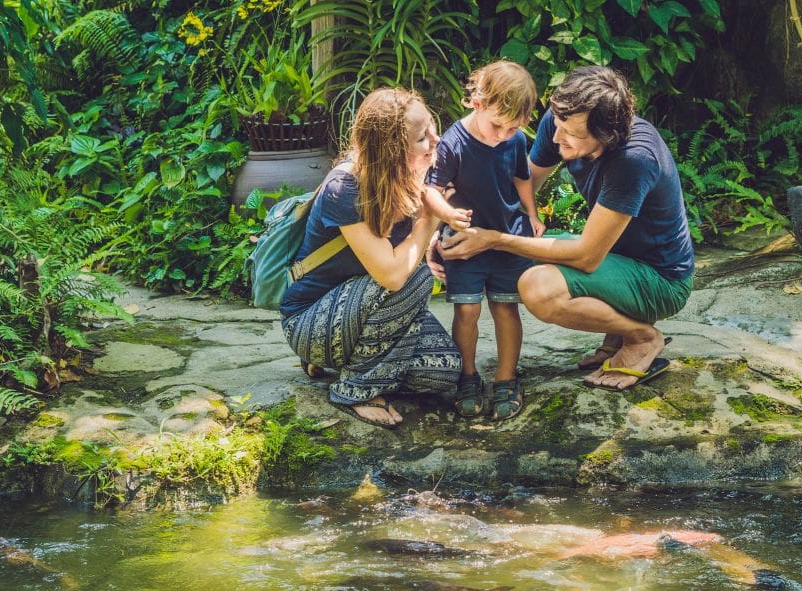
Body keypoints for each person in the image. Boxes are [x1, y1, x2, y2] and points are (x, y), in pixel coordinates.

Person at [439, 66, 694, 391]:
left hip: (660, 279)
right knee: (511, 259)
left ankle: (642, 337)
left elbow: (587, 257)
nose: (556, 137)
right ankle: (617, 334)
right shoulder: (562, 120)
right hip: (614, 260)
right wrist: (454, 227)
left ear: (605, 137)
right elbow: (521, 186)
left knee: (538, 287)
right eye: (557, 125)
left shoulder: (634, 158)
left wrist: (494, 240)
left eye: (571, 134)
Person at [279, 88, 461, 429]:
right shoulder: (344, 188)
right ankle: (356, 388)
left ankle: (343, 364)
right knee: (413, 280)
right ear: (392, 150)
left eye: (433, 127)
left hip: (369, 318)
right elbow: (392, 276)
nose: (436, 141)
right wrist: (429, 220)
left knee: (444, 370)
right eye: (423, 137)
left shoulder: (411, 177)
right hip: (310, 319)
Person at [420, 60, 543, 421]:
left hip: (507, 236)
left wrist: (532, 214)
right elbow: (432, 189)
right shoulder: (453, 142)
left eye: (513, 128)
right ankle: (467, 376)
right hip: (463, 240)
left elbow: (522, 178)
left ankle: (507, 377)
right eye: (497, 125)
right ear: (477, 102)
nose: (502, 135)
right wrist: (446, 215)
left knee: (506, 306)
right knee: (467, 309)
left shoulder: (516, 141)